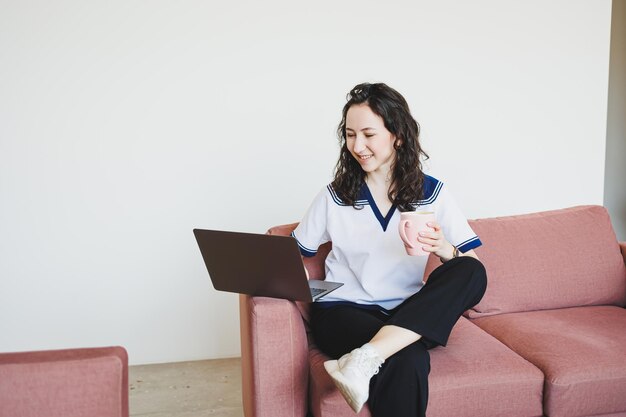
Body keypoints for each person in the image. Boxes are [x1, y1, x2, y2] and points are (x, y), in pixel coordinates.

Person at [291, 82, 488, 417]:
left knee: (472, 270)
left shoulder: (433, 193)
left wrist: (443, 247)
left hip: (406, 311)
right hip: (343, 311)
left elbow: (471, 266)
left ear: (397, 135)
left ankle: (366, 357)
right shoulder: (334, 196)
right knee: (409, 357)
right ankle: (371, 355)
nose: (358, 145)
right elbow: (297, 253)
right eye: (350, 135)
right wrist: (298, 284)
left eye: (368, 134)